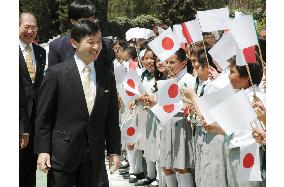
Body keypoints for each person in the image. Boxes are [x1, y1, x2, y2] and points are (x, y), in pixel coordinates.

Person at [35, 20, 121, 187]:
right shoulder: (56, 73)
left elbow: (111, 118)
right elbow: (44, 116)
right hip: (62, 155)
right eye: (90, 42)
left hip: (94, 157)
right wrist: (43, 150)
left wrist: (114, 151)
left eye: (99, 42)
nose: (96, 47)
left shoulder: (106, 76)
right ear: (74, 43)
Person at [19, 12, 46, 187]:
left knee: (29, 171)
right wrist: (21, 128)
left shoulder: (40, 52)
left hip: (35, 123)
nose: (30, 31)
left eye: (34, 27)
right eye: (26, 27)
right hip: (17, 122)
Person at [48, 0, 114, 72]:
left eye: (92, 19)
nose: (90, 24)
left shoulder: (106, 45)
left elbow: (109, 78)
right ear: (73, 21)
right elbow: (54, 78)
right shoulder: (57, 47)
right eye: (85, 21)